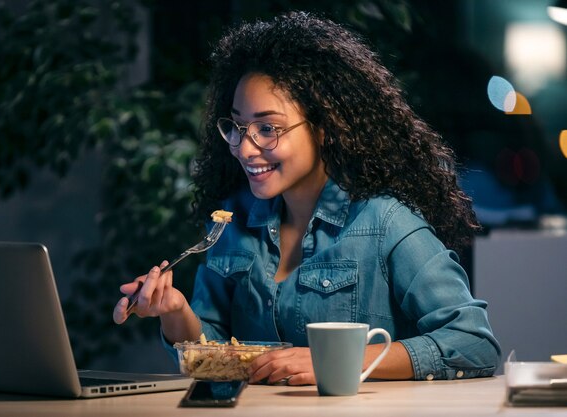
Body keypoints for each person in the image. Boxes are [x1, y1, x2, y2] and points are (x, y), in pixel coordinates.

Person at [113, 11, 501, 384]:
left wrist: (337, 361)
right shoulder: (231, 220)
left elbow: (473, 343)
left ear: (324, 128)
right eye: (237, 126)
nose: (245, 149)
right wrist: (176, 312)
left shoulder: (386, 224)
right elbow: (216, 354)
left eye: (267, 128)